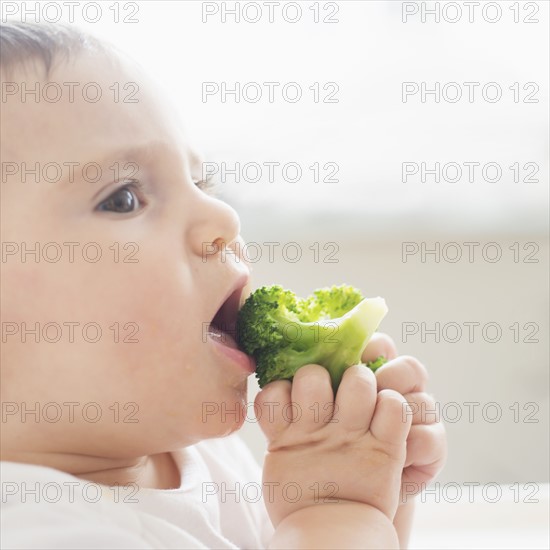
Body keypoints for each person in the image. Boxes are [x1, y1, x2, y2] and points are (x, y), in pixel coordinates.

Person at [0, 21, 446, 549]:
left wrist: (376, 498)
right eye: (123, 198)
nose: (223, 218)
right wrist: (337, 513)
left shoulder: (197, 458)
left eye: (200, 182)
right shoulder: (32, 527)